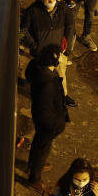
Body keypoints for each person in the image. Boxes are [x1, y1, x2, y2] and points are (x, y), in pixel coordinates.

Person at [21, 0, 76, 97]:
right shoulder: (33, 11)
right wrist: (35, 46)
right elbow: (22, 31)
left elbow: (70, 25)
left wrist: (67, 45)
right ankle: (42, 97)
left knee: (61, 76)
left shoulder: (62, 8)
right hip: (41, 55)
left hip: (59, 53)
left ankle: (64, 97)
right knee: (42, 80)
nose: (51, 1)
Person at [25, 44, 71, 187]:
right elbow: (45, 110)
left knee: (38, 142)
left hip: (39, 118)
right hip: (48, 123)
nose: (63, 58)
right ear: (55, 61)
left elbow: (27, 75)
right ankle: (34, 178)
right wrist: (56, 126)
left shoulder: (35, 66)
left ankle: (32, 165)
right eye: (61, 56)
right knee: (43, 149)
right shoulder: (48, 83)